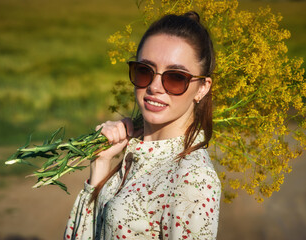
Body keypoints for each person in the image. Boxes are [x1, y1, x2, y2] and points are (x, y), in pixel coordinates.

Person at [64, 11, 221, 240]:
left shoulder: (194, 179)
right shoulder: (136, 153)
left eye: (175, 77)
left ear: (202, 88)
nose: (155, 87)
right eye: (144, 71)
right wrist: (101, 162)